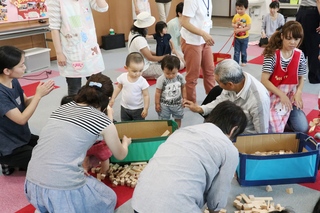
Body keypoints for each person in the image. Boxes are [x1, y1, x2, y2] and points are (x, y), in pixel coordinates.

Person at [25, 73, 132, 212]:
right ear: (109, 99)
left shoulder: (63, 108)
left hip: (32, 182)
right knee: (108, 198)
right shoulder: (103, 121)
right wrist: (125, 143)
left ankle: (45, 206)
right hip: (61, 188)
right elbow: (120, 155)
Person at [131, 100, 247, 213]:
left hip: (139, 203)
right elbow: (217, 201)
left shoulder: (182, 131)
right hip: (175, 207)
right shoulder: (228, 148)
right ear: (234, 129)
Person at [0, 46, 54, 176]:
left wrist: (39, 95)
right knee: (46, 163)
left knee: (50, 147)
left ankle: (15, 162)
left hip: (22, 136)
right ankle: (7, 161)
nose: (24, 68)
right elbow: (21, 119)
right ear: (7, 70)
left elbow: (24, 103)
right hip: (9, 146)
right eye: (21, 65)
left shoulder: (13, 81)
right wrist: (38, 96)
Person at [184, 59, 270, 134]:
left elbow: (261, 133)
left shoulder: (258, 100)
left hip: (244, 137)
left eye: (218, 82)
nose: (217, 84)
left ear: (230, 84)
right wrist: (200, 109)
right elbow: (221, 100)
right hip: (230, 127)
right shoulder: (236, 79)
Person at [47, 0, 109, 96]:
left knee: (97, 86)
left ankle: (98, 110)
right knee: (74, 89)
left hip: (90, 49)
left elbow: (103, 8)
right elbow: (54, 28)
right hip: (71, 51)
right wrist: (59, 53)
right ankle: (76, 110)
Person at [261, 21, 309, 133]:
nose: (292, 42)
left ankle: (286, 118)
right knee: (269, 130)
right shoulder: (272, 54)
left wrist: (298, 92)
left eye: (296, 39)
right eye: (289, 38)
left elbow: (301, 77)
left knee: (302, 128)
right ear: (282, 36)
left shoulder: (300, 55)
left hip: (290, 99)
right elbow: (264, 80)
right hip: (271, 97)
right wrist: (281, 95)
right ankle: (282, 119)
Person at [60, 95, 113, 180]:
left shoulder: (67, 120)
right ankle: (104, 172)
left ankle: (85, 169)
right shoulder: (91, 115)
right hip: (100, 144)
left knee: (85, 157)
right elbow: (109, 124)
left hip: (86, 145)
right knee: (104, 158)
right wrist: (110, 113)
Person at [180, 0, 215, 103]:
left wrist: (205, 34)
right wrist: (203, 33)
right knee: (193, 75)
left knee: (210, 71)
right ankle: (190, 102)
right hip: (192, 41)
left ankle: (212, 98)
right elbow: (184, 22)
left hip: (204, 40)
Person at [109, 52, 150, 121]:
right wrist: (113, 98)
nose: (137, 74)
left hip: (138, 109)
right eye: (134, 71)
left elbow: (146, 95)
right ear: (126, 68)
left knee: (139, 127)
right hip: (124, 107)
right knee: (125, 125)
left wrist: (146, 108)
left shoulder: (142, 81)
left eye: (140, 70)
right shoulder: (123, 77)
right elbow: (118, 87)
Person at [128, 12, 166, 79]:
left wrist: (159, 54)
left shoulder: (132, 33)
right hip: (144, 68)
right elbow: (150, 57)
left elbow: (146, 51)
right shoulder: (140, 40)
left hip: (138, 65)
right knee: (171, 70)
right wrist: (164, 57)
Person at [155, 55, 186, 127]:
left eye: (173, 73)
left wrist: (184, 98)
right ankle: (166, 131)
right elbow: (158, 92)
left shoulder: (180, 77)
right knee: (164, 120)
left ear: (178, 70)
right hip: (165, 105)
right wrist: (157, 103)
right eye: (167, 73)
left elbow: (183, 87)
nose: (171, 76)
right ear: (163, 70)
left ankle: (177, 131)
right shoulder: (161, 79)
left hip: (178, 104)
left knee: (178, 118)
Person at [296, 0, 320, 84]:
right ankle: (314, 77)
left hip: (302, 12)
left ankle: (296, 74)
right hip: (312, 13)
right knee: (313, 46)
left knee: (301, 45)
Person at [232, 0, 251, 66]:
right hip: (237, 37)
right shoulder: (236, 16)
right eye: (237, 9)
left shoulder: (247, 17)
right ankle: (235, 62)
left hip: (244, 38)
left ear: (246, 8)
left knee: (243, 51)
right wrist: (234, 25)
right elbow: (233, 23)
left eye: (241, 9)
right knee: (236, 52)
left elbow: (248, 27)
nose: (239, 11)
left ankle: (244, 61)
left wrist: (240, 30)